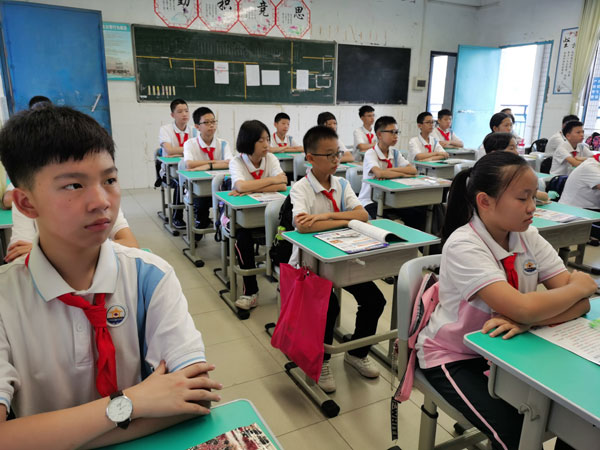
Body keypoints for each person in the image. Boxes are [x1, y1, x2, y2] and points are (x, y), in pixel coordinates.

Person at [0, 105, 223, 447]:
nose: (101, 201)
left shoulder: (150, 277)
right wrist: (131, 403)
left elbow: (197, 400)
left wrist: (43, 439)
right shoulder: (5, 299)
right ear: (26, 203)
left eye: (110, 180)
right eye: (73, 185)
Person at [415, 151, 594, 450]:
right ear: (485, 201)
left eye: (533, 197)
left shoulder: (527, 235)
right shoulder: (464, 244)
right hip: (458, 355)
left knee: (577, 414)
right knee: (517, 434)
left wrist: (529, 321)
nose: (532, 207)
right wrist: (579, 287)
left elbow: (581, 304)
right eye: (522, 198)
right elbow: (530, 306)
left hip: (512, 346)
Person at [289, 125, 386, 393]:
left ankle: (357, 353)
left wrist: (324, 217)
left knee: (375, 300)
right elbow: (302, 226)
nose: (336, 160)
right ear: (310, 158)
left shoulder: (342, 184)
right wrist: (344, 219)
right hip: (310, 265)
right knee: (328, 306)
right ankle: (321, 361)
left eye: (338, 154)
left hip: (343, 260)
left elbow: (363, 215)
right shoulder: (300, 189)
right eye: (329, 155)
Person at [229, 120, 287, 310]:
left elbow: (282, 185)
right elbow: (240, 186)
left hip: (269, 217)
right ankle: (250, 292)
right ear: (248, 141)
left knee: (287, 234)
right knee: (242, 239)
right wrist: (271, 181)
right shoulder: (237, 161)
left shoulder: (271, 159)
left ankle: (284, 284)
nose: (266, 144)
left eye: (268, 139)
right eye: (261, 140)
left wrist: (251, 188)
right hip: (242, 218)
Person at [5, 205, 139, 263]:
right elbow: (20, 257)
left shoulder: (101, 199)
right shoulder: (29, 201)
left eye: (110, 180)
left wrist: (46, 249)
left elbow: (131, 244)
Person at [183, 107, 232, 232]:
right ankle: (200, 224)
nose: (211, 125)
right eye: (206, 122)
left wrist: (207, 166)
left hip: (220, 187)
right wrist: (217, 162)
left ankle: (224, 227)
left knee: (228, 199)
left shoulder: (223, 143)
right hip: (198, 188)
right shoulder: (190, 144)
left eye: (213, 121)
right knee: (201, 203)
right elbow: (189, 164)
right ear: (197, 126)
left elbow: (230, 163)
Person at [358, 116, 417, 219]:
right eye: (392, 132)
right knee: (387, 220)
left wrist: (389, 171)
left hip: (392, 199)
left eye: (397, 132)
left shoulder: (395, 153)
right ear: (379, 134)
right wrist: (402, 174)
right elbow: (379, 173)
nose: (396, 136)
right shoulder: (371, 153)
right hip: (370, 201)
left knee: (416, 213)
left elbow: (413, 170)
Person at [158, 98, 195, 229]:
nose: (184, 114)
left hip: (189, 169)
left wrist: (177, 152)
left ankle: (199, 216)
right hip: (169, 173)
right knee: (181, 182)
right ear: (172, 115)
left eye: (186, 111)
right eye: (180, 111)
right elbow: (169, 150)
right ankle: (176, 217)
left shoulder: (194, 130)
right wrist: (188, 151)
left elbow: (198, 151)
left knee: (196, 183)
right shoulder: (165, 129)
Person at [482, 132, 549, 203]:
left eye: (516, 148)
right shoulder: (490, 174)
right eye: (511, 148)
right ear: (494, 153)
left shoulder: (514, 171)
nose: (516, 153)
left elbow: (544, 196)